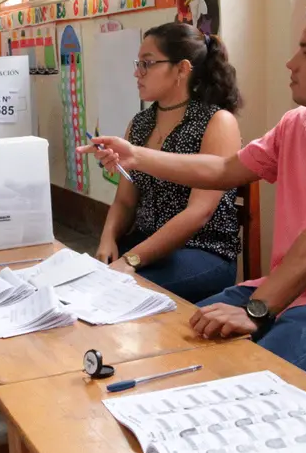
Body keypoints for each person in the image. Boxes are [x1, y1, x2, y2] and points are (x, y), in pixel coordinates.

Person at [81, 0, 306, 381]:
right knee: (173, 346)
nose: (291, 63)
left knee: (243, 377)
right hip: (274, 292)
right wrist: (137, 156)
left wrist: (257, 309)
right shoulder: (297, 125)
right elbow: (226, 168)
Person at [95, 22, 244, 304]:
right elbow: (125, 201)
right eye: (137, 63)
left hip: (201, 252)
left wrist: (133, 259)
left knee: (116, 295)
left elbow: (198, 212)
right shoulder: (140, 124)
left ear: (182, 69)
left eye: (147, 64)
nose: (137, 73)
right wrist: (108, 239)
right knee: (85, 281)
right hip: (144, 245)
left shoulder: (217, 121)